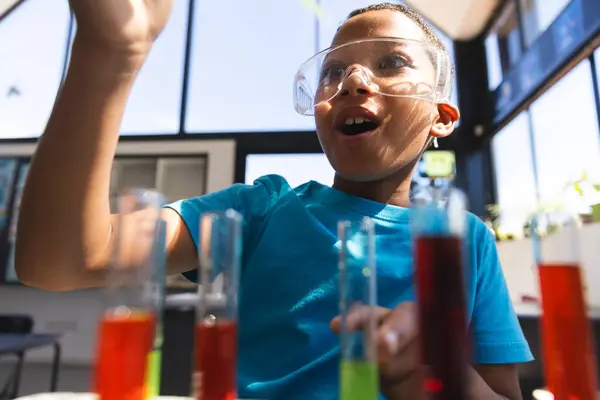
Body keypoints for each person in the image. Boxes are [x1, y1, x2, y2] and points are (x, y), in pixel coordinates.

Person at [16, 1, 532, 399]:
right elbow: (59, 262)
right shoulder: (259, 210)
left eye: (392, 61)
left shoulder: (465, 242)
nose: (352, 80)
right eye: (333, 72)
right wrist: (109, 53)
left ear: (442, 117)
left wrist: (428, 376)